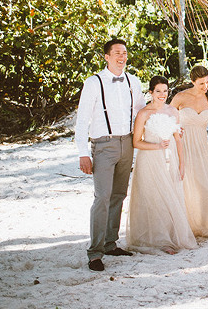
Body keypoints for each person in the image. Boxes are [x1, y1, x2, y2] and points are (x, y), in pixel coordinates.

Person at [74, 39, 145, 272]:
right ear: (106, 56)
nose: (121, 56)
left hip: (127, 142)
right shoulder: (94, 83)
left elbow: (141, 113)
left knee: (118, 195)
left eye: (124, 52)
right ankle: (94, 253)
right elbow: (82, 119)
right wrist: (83, 153)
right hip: (103, 145)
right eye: (116, 53)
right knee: (101, 198)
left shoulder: (133, 82)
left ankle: (110, 243)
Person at [126, 76, 196, 254]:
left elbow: (178, 140)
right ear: (151, 92)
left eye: (165, 91)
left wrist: (182, 164)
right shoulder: (143, 113)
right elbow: (136, 142)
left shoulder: (173, 111)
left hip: (170, 159)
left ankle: (170, 236)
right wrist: (156, 146)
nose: (162, 95)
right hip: (149, 159)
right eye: (158, 91)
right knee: (153, 197)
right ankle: (159, 240)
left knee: (170, 196)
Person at [170, 65, 208, 238]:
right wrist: (175, 130)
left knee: (203, 181)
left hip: (201, 143)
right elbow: (167, 117)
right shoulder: (181, 97)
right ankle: (186, 223)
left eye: (207, 82)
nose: (205, 86)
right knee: (185, 182)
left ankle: (204, 222)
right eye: (201, 83)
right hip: (182, 143)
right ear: (192, 81)